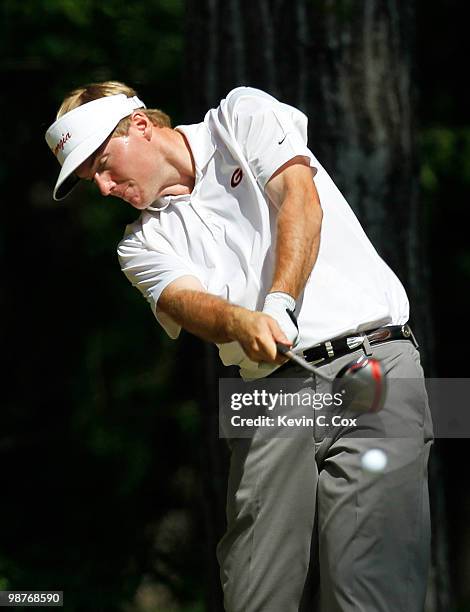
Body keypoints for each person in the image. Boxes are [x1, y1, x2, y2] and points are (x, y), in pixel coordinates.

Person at [45, 81, 433, 611]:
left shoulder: (238, 117)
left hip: (373, 368)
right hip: (269, 397)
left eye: (104, 164)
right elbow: (184, 303)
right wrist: (240, 320)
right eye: (93, 180)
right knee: (255, 590)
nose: (106, 187)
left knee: (369, 588)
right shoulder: (140, 242)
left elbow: (299, 196)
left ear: (140, 125)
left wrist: (280, 302)